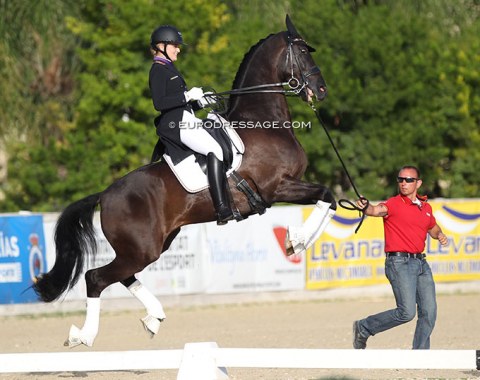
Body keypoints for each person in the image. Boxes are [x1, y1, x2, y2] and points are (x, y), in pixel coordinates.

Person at [352, 165, 449, 350]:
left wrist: (440, 234)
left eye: (409, 180)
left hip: (421, 263)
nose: (403, 183)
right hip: (399, 263)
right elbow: (375, 210)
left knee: (429, 313)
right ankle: (364, 327)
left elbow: (432, 227)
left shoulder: (425, 207)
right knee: (406, 312)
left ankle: (419, 355)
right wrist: (366, 207)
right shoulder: (394, 203)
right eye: (401, 179)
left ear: (418, 183)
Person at [149, 25, 233, 225]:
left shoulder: (169, 67)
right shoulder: (158, 70)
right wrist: (186, 95)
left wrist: (200, 103)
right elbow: (159, 103)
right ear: (161, 46)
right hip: (176, 125)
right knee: (214, 149)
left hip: (185, 119)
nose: (178, 49)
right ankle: (221, 208)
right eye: (175, 46)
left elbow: (181, 106)